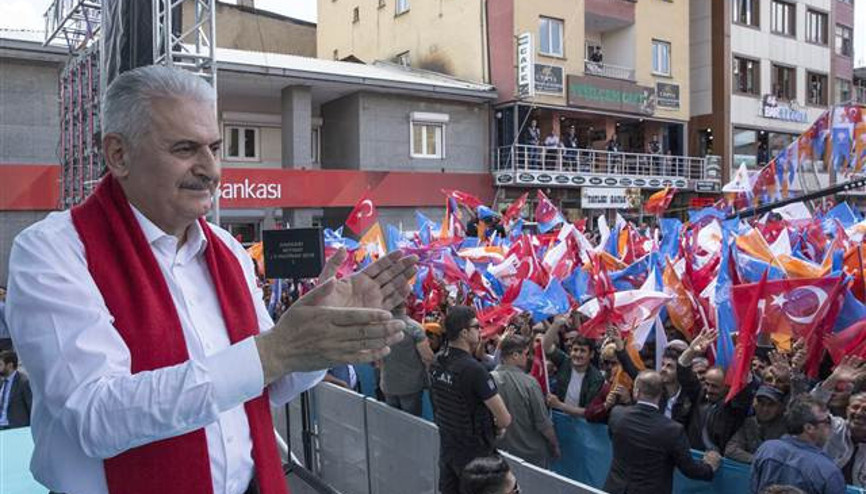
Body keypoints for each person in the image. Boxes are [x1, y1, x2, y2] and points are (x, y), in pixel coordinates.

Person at [5, 65, 417, 494]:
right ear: (118, 155)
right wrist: (276, 350)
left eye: (215, 147)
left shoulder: (227, 250)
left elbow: (264, 384)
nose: (210, 169)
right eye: (185, 149)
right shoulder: (52, 251)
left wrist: (321, 339)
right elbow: (95, 417)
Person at [430, 305, 512, 494]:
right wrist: (497, 428)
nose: (480, 331)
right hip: (476, 455)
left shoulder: (436, 361)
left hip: (448, 448)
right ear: (464, 332)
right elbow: (505, 418)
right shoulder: (474, 370)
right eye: (476, 326)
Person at [603, 370, 720, 494]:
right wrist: (709, 467)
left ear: (636, 392)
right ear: (660, 394)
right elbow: (689, 468)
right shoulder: (673, 430)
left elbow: (614, 438)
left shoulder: (617, 414)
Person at [678, 329, 758, 452]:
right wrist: (691, 351)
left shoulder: (733, 408)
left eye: (715, 386)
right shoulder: (700, 396)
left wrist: (742, 354)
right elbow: (683, 372)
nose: (709, 389)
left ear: (727, 387)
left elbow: (745, 388)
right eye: (707, 384)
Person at [751, 395, 845, 494]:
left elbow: (754, 488)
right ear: (809, 428)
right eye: (827, 421)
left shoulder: (766, 449)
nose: (831, 426)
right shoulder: (828, 471)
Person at [490, 335, 560, 468]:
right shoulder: (529, 383)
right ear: (515, 355)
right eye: (525, 354)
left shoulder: (488, 379)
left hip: (500, 454)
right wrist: (555, 445)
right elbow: (543, 423)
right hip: (530, 459)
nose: (527, 358)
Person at [380, 303, 434, 417]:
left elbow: (377, 358)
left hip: (388, 384)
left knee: (393, 422)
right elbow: (427, 357)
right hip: (411, 387)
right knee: (411, 424)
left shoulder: (381, 328)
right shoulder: (414, 328)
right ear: (406, 305)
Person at [542, 323, 605, 418]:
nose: (578, 354)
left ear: (591, 354)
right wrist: (556, 323)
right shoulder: (564, 361)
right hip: (558, 417)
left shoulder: (596, 378)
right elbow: (546, 346)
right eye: (575, 350)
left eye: (582, 351)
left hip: (581, 424)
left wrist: (559, 405)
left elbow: (587, 412)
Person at [724, 385, 787, 463]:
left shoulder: (786, 428)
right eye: (761, 403)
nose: (765, 409)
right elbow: (730, 450)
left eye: (771, 405)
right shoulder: (749, 423)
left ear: (779, 407)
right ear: (754, 404)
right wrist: (758, 461)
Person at [0, 350, 31, 429]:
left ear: (10, 365)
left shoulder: (23, 382)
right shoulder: (1, 382)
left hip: (16, 428)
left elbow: (31, 407)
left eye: (0, 365)